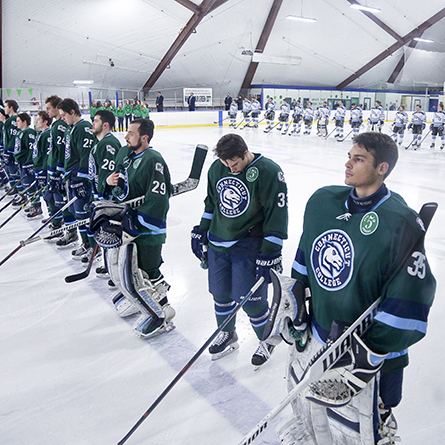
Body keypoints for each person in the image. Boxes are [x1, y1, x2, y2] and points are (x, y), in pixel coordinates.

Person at [264, 132, 436, 445]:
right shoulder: (323, 202)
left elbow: (411, 302)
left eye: (359, 159)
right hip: (318, 338)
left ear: (382, 168)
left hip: (369, 357)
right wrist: (297, 296)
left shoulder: (401, 222)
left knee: (361, 431)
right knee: (310, 413)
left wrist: (367, 353)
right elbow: (306, 255)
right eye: (349, 155)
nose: (348, 164)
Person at [190, 133, 288, 366]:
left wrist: (272, 251)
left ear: (245, 153)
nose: (231, 169)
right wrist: (201, 230)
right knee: (220, 293)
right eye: (226, 164)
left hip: (249, 245)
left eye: (234, 164)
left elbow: (277, 213)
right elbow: (212, 202)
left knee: (252, 301)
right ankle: (227, 333)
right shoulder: (217, 168)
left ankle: (266, 340)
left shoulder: (268, 171)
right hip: (218, 243)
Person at [94, 118, 175, 338]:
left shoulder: (153, 160)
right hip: (125, 220)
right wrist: (108, 183)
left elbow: (159, 199)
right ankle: (138, 300)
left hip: (146, 228)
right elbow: (115, 186)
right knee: (129, 268)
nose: (126, 136)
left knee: (148, 270)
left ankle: (162, 310)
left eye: (131, 133)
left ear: (144, 137)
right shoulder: (124, 154)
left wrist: (140, 224)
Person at [57, 98, 98, 258]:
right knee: (77, 214)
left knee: (85, 214)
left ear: (72, 112)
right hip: (72, 177)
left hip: (81, 180)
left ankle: (94, 248)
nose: (62, 118)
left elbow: (86, 155)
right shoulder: (71, 128)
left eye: (64, 115)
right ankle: (86, 243)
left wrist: (82, 179)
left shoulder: (84, 128)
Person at [42, 95, 71, 243]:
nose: (46, 111)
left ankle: (68, 231)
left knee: (61, 201)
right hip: (52, 168)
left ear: (56, 108)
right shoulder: (55, 124)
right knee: (52, 198)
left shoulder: (60, 126)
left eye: (48, 108)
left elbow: (62, 151)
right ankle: (57, 225)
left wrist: (59, 172)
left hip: (58, 170)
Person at [27, 111, 52, 219]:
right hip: (38, 168)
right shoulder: (40, 134)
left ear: (45, 121)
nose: (36, 121)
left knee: (48, 195)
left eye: (38, 120)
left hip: (43, 169)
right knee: (44, 194)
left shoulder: (47, 135)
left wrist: (42, 170)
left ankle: (54, 218)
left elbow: (47, 155)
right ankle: (51, 216)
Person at [12, 113, 37, 207]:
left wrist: (30, 163)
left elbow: (32, 149)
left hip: (27, 164)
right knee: (25, 185)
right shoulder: (20, 132)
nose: (16, 123)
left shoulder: (29, 132)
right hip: (21, 163)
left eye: (18, 121)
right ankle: (31, 203)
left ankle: (36, 205)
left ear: (24, 122)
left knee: (30, 186)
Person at [3, 100, 19, 191]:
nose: (4, 108)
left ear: (11, 107)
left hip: (11, 151)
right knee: (15, 172)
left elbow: (7, 138)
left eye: (6, 106)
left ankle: (15, 189)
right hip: (17, 151)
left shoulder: (9, 121)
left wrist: (6, 150)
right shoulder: (19, 119)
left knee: (12, 171)